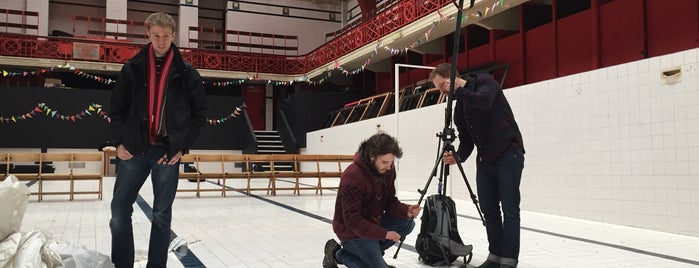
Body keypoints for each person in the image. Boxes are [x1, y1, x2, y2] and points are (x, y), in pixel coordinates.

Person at [108, 11, 208, 268]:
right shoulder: (133, 68)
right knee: (119, 212)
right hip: (134, 150)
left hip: (167, 152)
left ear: (173, 35)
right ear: (148, 34)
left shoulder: (186, 73)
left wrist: (182, 147)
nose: (161, 41)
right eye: (156, 36)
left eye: (165, 36)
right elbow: (116, 109)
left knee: (162, 216)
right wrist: (119, 142)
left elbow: (199, 114)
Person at [429, 63, 525, 268]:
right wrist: (458, 157)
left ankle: (508, 260)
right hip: (485, 159)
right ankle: (495, 256)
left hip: (508, 151)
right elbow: (466, 141)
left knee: (509, 208)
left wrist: (459, 90)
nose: (441, 92)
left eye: (441, 86)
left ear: (450, 79)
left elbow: (485, 100)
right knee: (489, 209)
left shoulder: (483, 81)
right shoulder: (459, 107)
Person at [323, 132, 421, 268]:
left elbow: (389, 201)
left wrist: (406, 210)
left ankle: (370, 255)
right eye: (385, 162)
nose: (389, 166)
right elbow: (353, 221)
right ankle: (337, 254)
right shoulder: (352, 176)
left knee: (407, 223)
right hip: (351, 232)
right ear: (371, 157)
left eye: (392, 162)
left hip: (372, 224)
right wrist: (384, 234)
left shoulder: (388, 170)